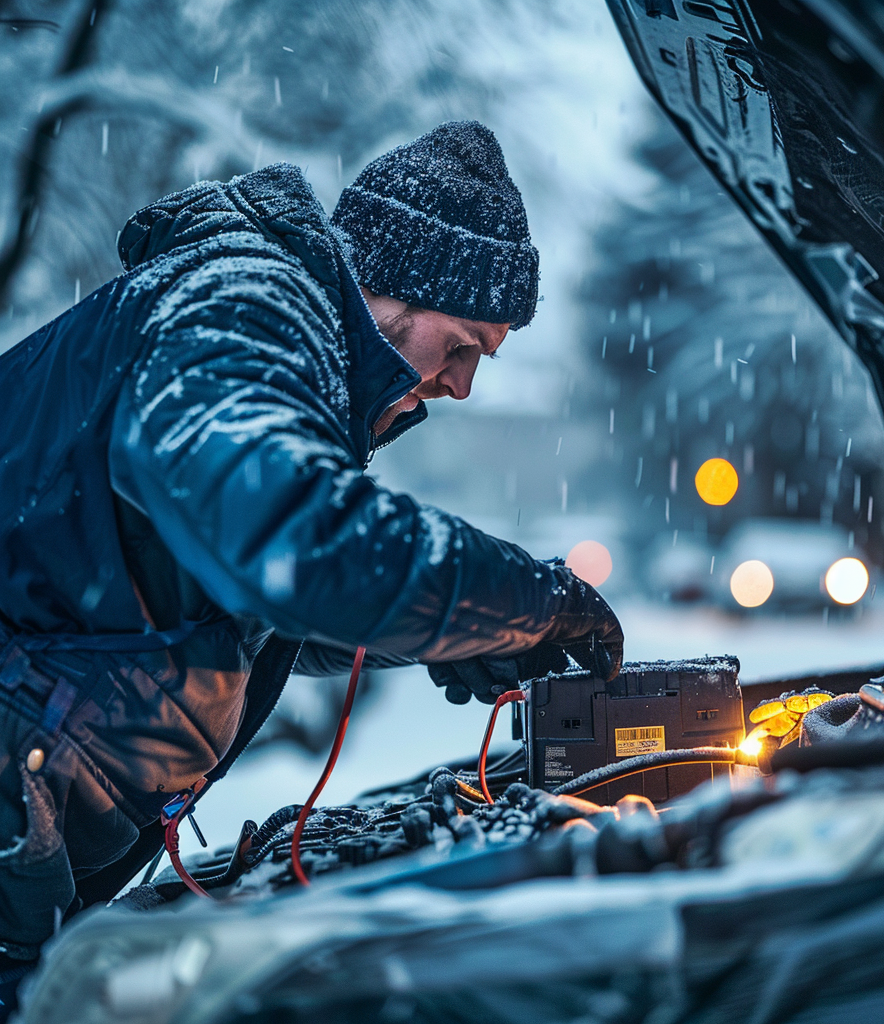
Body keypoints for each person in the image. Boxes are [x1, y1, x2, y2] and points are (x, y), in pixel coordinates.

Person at [0, 120, 622, 994]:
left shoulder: (268, 334)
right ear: (397, 287)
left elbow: (245, 608)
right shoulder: (244, 307)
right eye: (463, 346)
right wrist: (530, 598)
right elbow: (296, 544)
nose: (461, 386)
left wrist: (458, 633)